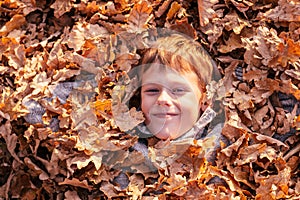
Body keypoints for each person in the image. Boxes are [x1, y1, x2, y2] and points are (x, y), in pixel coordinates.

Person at [126, 32, 227, 168]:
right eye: (152, 90)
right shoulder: (124, 153)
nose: (162, 99)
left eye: (178, 90)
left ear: (205, 100)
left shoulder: (222, 153)